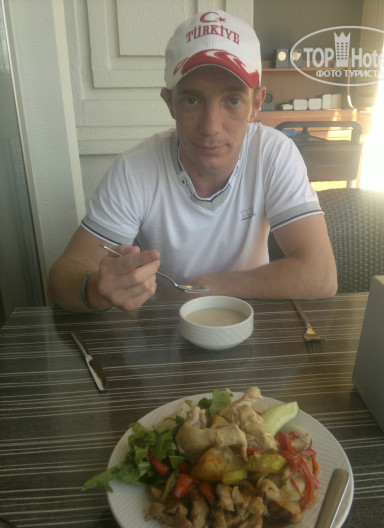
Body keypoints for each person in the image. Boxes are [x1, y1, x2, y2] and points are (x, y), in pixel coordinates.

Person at [47, 10, 337, 312]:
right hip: (166, 332)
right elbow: (61, 279)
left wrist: (211, 288)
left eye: (233, 100)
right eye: (192, 100)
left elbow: (322, 276)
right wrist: (96, 289)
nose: (211, 127)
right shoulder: (135, 169)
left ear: (256, 104)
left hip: (252, 329)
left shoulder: (274, 153)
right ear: (169, 103)